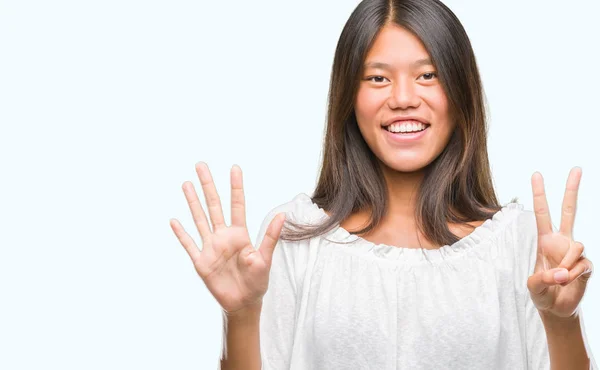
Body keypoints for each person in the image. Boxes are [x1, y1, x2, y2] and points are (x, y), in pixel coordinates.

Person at [169, 0, 596, 369]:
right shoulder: (294, 235)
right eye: (377, 78)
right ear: (348, 98)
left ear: (461, 91)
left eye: (428, 75)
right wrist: (241, 314)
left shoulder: (520, 244)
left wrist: (562, 322)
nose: (403, 97)